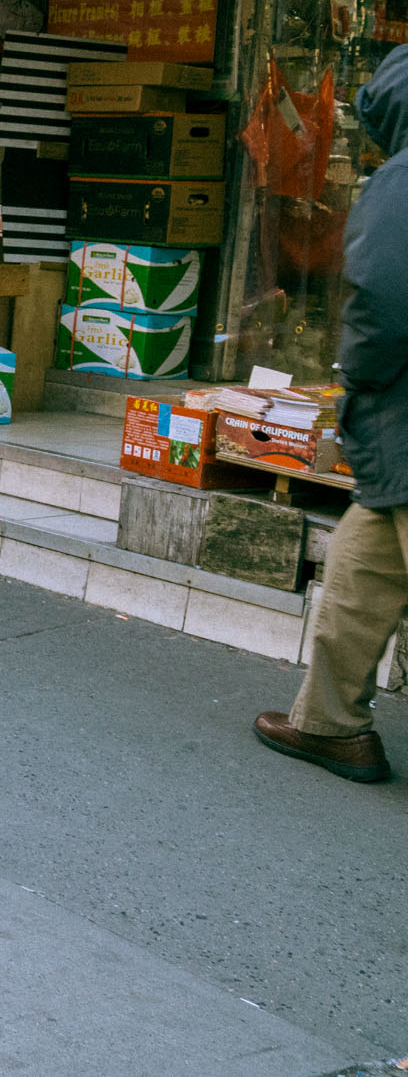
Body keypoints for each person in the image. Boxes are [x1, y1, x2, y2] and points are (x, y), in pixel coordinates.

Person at [256, 47, 408, 784]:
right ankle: (330, 722)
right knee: (358, 565)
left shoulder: (402, 181)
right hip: (397, 447)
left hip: (402, 415)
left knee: (366, 560)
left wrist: (358, 380)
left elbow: (381, 299)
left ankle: (332, 721)